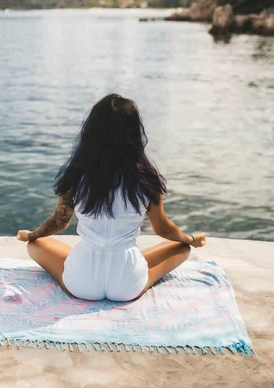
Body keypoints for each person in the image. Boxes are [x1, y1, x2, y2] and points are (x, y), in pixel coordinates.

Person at [16, 93, 206, 302]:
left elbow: (59, 221)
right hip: (127, 283)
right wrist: (190, 240)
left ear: (92, 132)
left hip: (81, 281)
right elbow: (162, 228)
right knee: (181, 248)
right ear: (134, 132)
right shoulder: (146, 178)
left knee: (35, 245)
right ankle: (137, 268)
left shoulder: (78, 173)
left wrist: (32, 235)